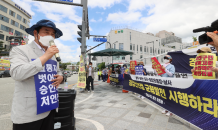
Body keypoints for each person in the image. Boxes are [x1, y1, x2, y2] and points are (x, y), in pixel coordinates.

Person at [9, 20, 64, 130]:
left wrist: (61, 77)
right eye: (46, 32)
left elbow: (57, 71)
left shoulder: (53, 55)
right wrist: (45, 56)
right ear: (35, 33)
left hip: (49, 107)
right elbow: (17, 73)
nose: (50, 36)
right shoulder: (20, 50)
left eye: (53, 34)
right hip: (29, 113)